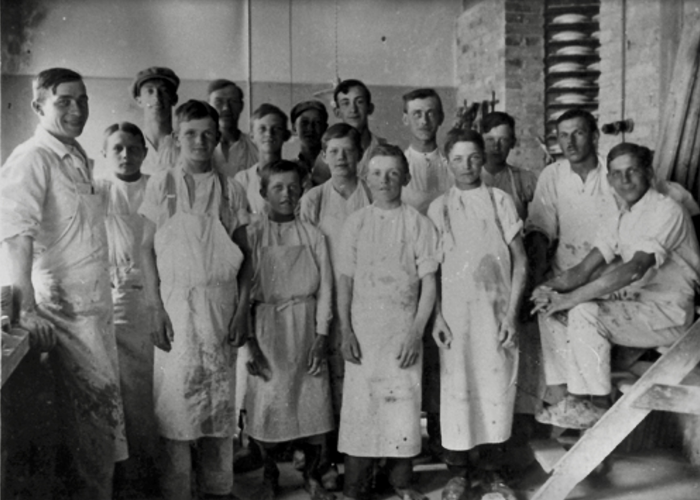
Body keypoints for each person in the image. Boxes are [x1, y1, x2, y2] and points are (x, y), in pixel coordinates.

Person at [0, 67, 127, 500]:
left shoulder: (74, 156)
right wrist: (26, 309)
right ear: (38, 106)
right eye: (64, 101)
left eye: (83, 100)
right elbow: (17, 235)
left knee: (99, 433)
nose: (77, 109)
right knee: (90, 436)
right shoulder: (33, 157)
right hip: (63, 316)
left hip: (93, 316)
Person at [531, 143, 700, 429]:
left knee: (584, 312)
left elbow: (634, 269)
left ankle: (597, 404)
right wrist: (545, 290)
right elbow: (583, 270)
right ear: (608, 179)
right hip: (638, 311)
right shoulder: (621, 215)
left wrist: (571, 299)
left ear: (648, 173)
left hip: (670, 314)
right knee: (552, 311)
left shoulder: (667, 210)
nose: (625, 180)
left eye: (632, 171)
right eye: (617, 174)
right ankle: (573, 397)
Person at [139, 100, 251, 500]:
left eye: (207, 134)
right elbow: (146, 249)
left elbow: (247, 256)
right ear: (176, 137)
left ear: (217, 137)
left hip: (220, 308)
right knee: (175, 410)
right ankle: (177, 492)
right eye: (191, 134)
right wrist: (155, 306)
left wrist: (242, 310)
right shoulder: (162, 184)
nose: (200, 141)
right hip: (175, 308)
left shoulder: (230, 189)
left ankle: (219, 490)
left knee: (219, 409)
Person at [337, 144, 438, 500]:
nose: (385, 180)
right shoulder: (356, 223)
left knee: (401, 408)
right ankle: (357, 484)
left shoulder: (418, 224)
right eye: (377, 173)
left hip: (402, 332)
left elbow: (429, 283)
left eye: (393, 173)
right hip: (364, 333)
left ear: (406, 178)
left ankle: (401, 482)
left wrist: (416, 333)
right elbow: (345, 281)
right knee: (361, 407)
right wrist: (346, 331)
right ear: (366, 178)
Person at [429, 129, 527, 490]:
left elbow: (521, 261)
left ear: (483, 158)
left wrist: (511, 314)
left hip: (496, 313)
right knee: (457, 391)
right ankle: (458, 473)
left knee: (496, 389)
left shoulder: (500, 201)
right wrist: (437, 317)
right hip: (456, 318)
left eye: (473, 157)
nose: (467, 165)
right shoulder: (439, 208)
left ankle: (492, 472)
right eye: (458, 159)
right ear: (447, 162)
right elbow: (431, 271)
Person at [243, 160, 335, 500]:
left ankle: (311, 476)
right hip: (266, 328)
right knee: (267, 404)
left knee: (312, 405)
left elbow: (326, 289)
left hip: (306, 325)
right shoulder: (252, 234)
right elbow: (243, 297)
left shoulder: (313, 235)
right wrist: (251, 345)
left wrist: (321, 336)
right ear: (263, 191)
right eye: (278, 187)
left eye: (293, 187)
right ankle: (270, 474)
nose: (287, 194)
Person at [96, 122, 157, 495]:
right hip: (115, 299)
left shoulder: (157, 188)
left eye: (134, 148)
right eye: (117, 148)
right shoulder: (98, 191)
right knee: (123, 392)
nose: (126, 155)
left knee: (151, 392)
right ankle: (127, 477)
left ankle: (153, 473)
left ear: (144, 153)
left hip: (153, 297)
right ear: (105, 152)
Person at [299, 123, 371, 417]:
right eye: (334, 151)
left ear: (360, 154)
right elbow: (305, 256)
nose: (341, 158)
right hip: (326, 297)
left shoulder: (372, 194)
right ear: (324, 156)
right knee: (328, 379)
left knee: (364, 375)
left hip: (367, 298)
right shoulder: (313, 199)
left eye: (348, 151)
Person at [400, 88, 452, 215]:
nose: (424, 121)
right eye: (417, 114)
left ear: (441, 118)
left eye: (431, 113)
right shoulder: (398, 166)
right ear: (406, 119)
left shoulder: (453, 164)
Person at [235, 103, 292, 219]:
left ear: (286, 135)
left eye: (276, 129)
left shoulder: (298, 176)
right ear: (252, 136)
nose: (269, 134)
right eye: (262, 129)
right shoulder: (243, 180)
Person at [481, 112, 537, 221]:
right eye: (490, 139)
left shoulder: (524, 179)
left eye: (503, 140)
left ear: (512, 143)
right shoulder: (469, 178)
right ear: (480, 143)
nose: (496, 146)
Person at [333, 79, 386, 179]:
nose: (353, 109)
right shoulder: (329, 153)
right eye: (345, 103)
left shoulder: (385, 150)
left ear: (370, 108)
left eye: (359, 102)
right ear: (337, 112)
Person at [131, 66, 180, 175]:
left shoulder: (185, 145)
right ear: (139, 101)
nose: (157, 98)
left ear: (174, 99)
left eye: (164, 91)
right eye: (150, 91)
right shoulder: (130, 147)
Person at [207, 79, 259, 177]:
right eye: (219, 102)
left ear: (241, 106)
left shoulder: (255, 147)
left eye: (233, 102)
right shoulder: (200, 146)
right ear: (209, 105)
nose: (226, 108)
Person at [285, 99, 331, 186]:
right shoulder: (289, 168)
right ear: (294, 128)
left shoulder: (335, 162)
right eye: (304, 123)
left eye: (317, 123)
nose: (310, 128)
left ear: (325, 128)